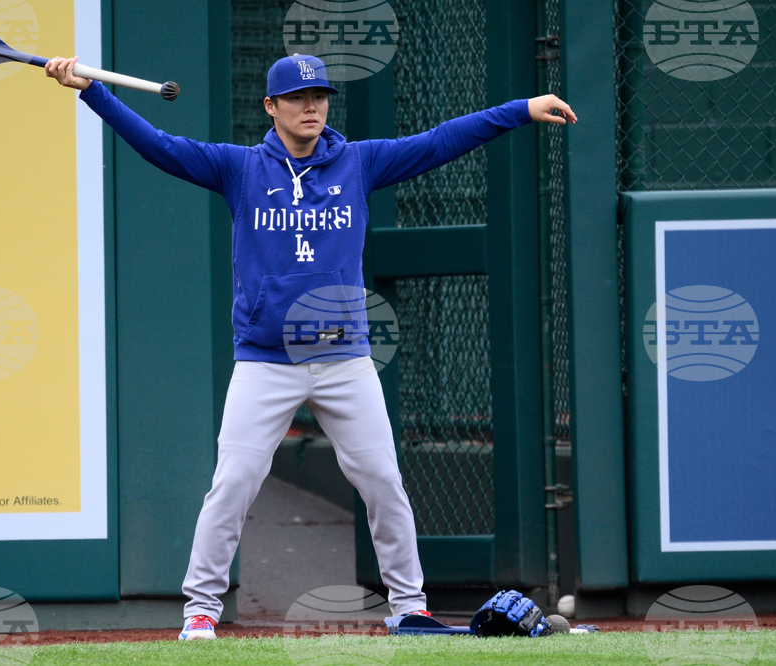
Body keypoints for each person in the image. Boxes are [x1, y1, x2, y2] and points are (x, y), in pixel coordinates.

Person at [46, 52, 577, 641]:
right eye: (298, 98)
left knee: (383, 481)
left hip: (344, 360)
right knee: (233, 482)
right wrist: (92, 92)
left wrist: (520, 109)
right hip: (267, 362)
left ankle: (408, 608)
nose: (311, 107)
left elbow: (441, 140)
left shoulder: (358, 162)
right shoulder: (241, 168)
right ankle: (201, 609)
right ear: (271, 106)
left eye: (319, 96)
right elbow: (160, 146)